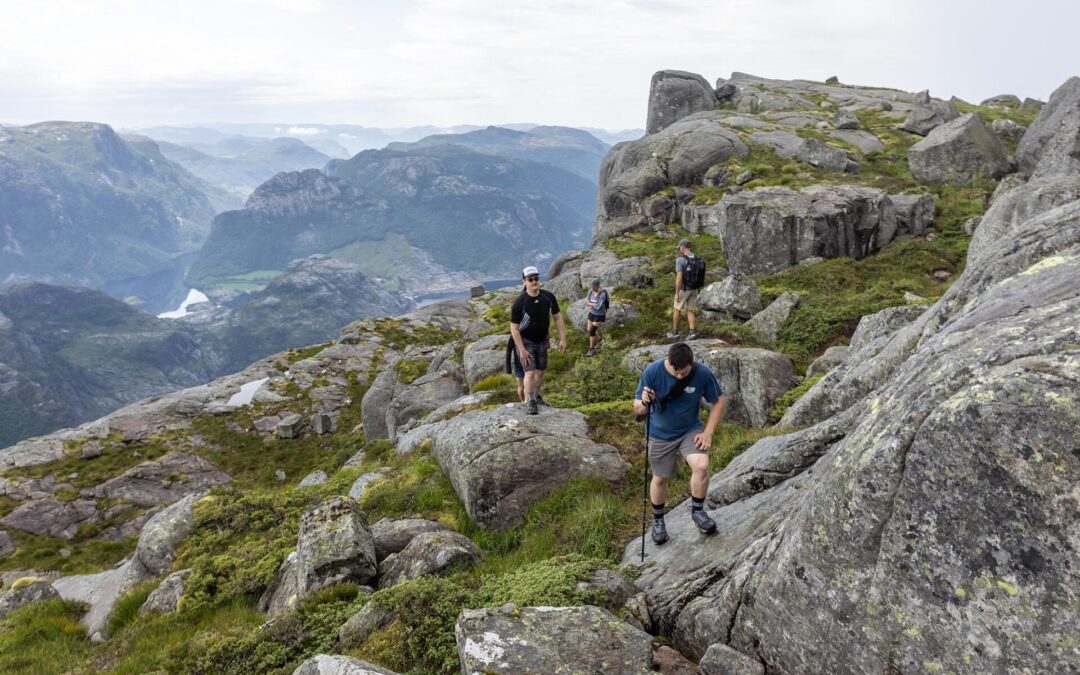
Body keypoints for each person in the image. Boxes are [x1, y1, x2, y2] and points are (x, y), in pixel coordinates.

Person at [632, 342, 725, 544]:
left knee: (701, 466)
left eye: (684, 373)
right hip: (659, 433)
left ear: (691, 364)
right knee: (660, 478)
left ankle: (698, 512)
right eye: (677, 373)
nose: (680, 376)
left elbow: (718, 401)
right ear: (668, 362)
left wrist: (708, 432)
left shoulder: (702, 374)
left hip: (690, 429)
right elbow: (638, 410)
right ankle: (658, 521)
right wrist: (645, 402)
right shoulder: (652, 372)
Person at [511, 265, 567, 415]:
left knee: (540, 372)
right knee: (529, 373)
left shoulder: (548, 297)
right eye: (530, 279)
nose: (534, 281)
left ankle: (536, 396)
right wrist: (521, 350)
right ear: (524, 282)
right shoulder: (520, 302)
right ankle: (531, 401)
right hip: (526, 340)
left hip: (542, 340)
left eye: (536, 278)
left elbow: (557, 317)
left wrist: (562, 339)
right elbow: (514, 328)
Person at [668, 238, 701, 341]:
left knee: (677, 309)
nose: (679, 250)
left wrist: (677, 293)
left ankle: (675, 332)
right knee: (690, 310)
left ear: (683, 248)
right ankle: (692, 332)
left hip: (684, 288)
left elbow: (679, 278)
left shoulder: (680, 260)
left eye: (679, 248)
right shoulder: (697, 258)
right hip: (694, 288)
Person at [584, 278, 609, 357]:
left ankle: (591, 349)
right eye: (592, 286)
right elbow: (586, 301)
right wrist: (592, 304)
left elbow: (598, 307)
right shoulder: (590, 291)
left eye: (594, 287)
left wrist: (590, 303)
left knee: (592, 331)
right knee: (588, 329)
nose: (593, 288)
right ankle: (599, 339)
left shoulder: (602, 294)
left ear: (598, 286)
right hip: (591, 313)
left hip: (599, 314)